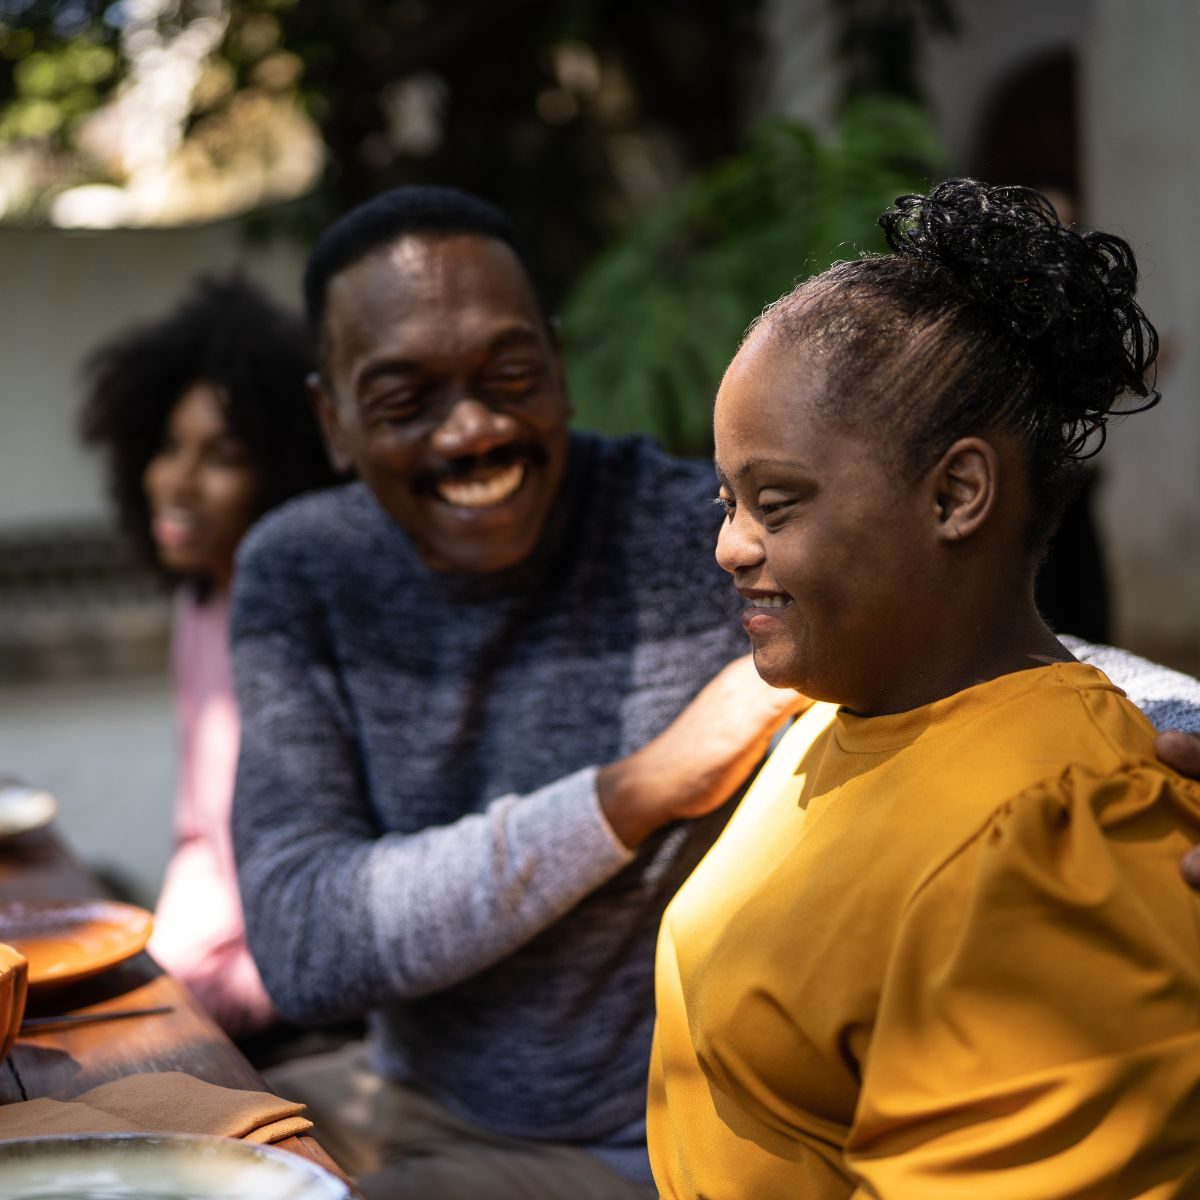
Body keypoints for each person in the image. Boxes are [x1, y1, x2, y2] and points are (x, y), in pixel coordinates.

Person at [230, 185, 1200, 1198]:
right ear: (331, 420)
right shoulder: (302, 571)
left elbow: (987, 644)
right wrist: (638, 788)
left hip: (615, 1152)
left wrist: (1169, 742)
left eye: (509, 374)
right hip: (429, 1096)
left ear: (558, 368)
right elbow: (305, 939)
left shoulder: (695, 551)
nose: (472, 429)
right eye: (404, 398)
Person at [647, 180, 1200, 1198]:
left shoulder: (1059, 839)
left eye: (777, 502)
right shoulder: (838, 716)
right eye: (727, 499)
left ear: (955, 494)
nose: (730, 546)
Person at [80, 274, 338, 1039]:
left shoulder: (311, 629)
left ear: (283, 471)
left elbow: (330, 897)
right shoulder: (198, 605)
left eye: (221, 455)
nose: (178, 481)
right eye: (166, 446)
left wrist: (191, 1000)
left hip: (302, 1009)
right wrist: (160, 968)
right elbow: (199, 836)